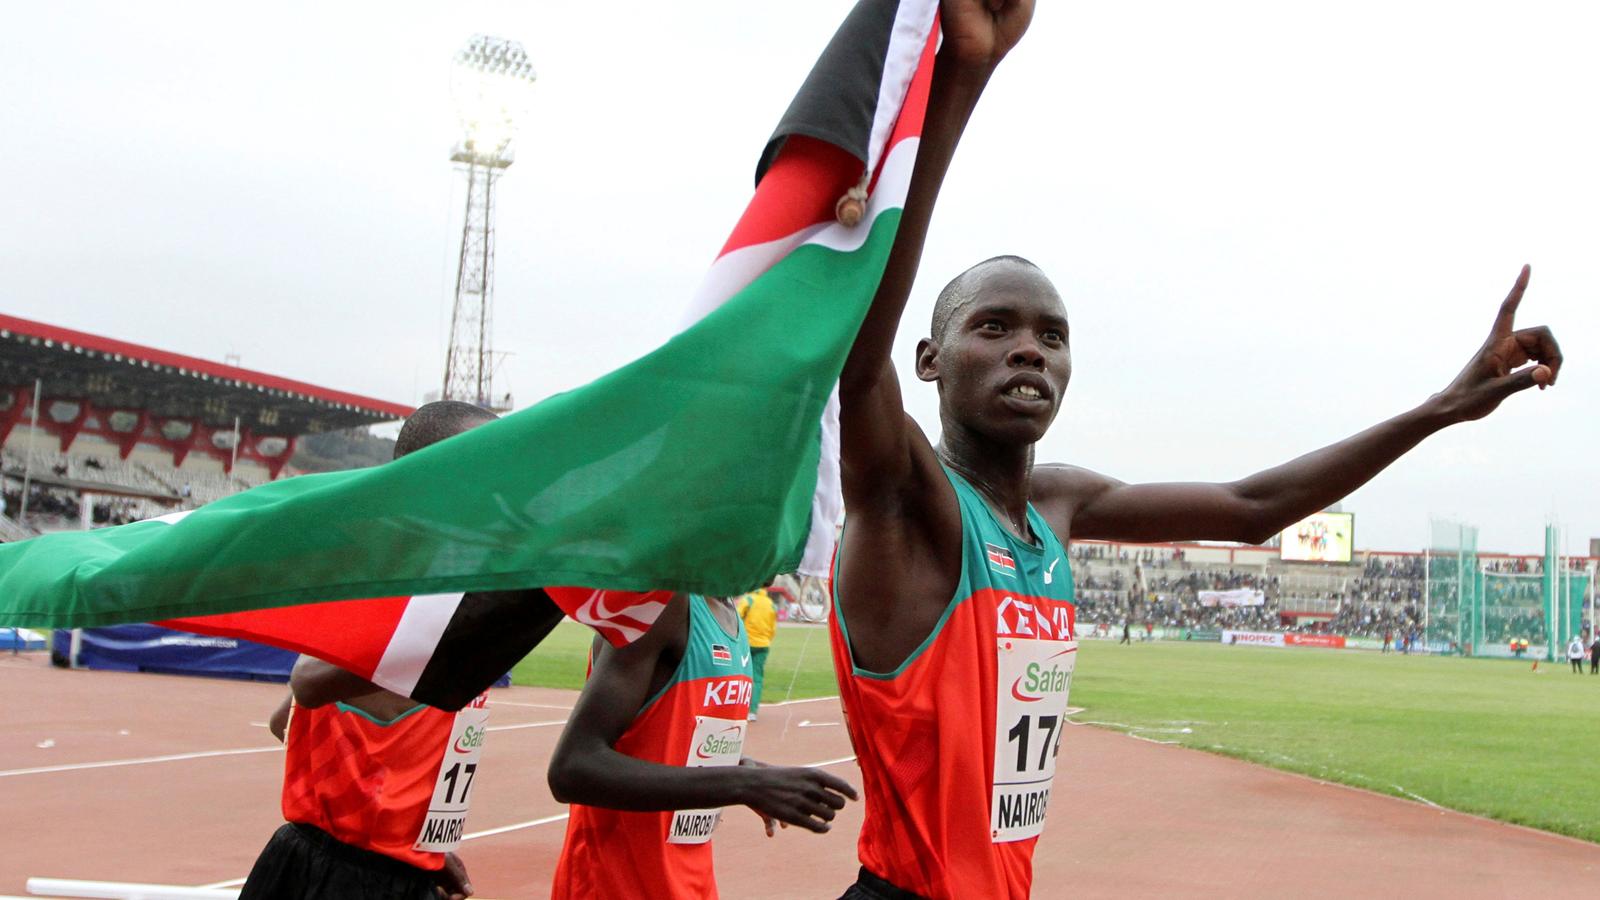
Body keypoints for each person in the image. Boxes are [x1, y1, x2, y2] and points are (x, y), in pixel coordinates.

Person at [829, 1, 1561, 896]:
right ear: (931, 360)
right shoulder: (910, 501)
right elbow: (858, 370)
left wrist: (1442, 407)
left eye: (1053, 336)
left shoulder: (1059, 506)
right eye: (995, 327)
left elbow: (1254, 510)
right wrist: (961, 81)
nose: (1031, 349)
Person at [240, 401, 551, 900]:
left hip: (390, 870)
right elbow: (310, 683)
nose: (501, 480)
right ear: (423, 478)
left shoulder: (456, 585)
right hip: (337, 879)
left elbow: (287, 719)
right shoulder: (387, 579)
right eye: (484, 462)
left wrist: (409, 845)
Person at [547, 592, 856, 899]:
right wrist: (743, 784)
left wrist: (739, 768)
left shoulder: (727, 609)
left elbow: (668, 738)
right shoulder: (661, 603)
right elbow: (573, 768)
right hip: (616, 884)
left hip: (689, 879)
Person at [736, 587, 777, 720]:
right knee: (757, 678)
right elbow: (772, 628)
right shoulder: (770, 603)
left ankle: (737, 708)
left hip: (746, 644)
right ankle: (752, 711)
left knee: (739, 676)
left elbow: (736, 617)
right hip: (763, 644)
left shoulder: (748, 599)